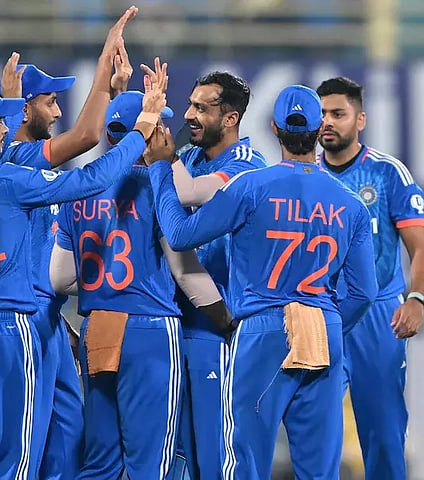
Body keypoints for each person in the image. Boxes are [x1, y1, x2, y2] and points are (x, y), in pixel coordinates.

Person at [0, 80, 166, 479]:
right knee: (13, 465)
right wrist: (141, 130)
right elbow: (92, 180)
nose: (6, 129)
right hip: (2, 330)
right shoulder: (6, 181)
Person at [146, 84, 378, 479]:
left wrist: (159, 169)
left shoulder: (250, 186)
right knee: (320, 470)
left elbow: (181, 235)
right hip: (324, 330)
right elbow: (364, 293)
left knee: (244, 463)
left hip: (262, 330)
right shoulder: (350, 203)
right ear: (318, 130)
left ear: (274, 128)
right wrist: (326, 325)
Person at [50, 74, 230, 479]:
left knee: (100, 462)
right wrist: (225, 318)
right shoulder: (157, 185)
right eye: (159, 123)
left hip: (98, 326)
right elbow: (185, 270)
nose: (165, 129)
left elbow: (59, 278)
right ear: (146, 133)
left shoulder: (79, 188)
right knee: (152, 462)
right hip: (149, 329)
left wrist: (103, 286)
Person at [0, 6, 137, 478]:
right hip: (24, 317)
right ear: (24, 108)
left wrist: (116, 92)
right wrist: (104, 65)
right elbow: (88, 135)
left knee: (69, 440)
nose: (57, 112)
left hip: (50, 317)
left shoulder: (27, 161)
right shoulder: (15, 158)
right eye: (50, 102)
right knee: (27, 448)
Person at [140, 68, 267, 480]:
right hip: (179, 323)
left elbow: (188, 192)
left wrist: (165, 158)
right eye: (190, 104)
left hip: (221, 329)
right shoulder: (191, 157)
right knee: (179, 457)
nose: (189, 115)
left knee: (217, 453)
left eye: (201, 108)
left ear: (230, 118)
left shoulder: (248, 165)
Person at [317, 77, 424, 480]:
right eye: (322, 114)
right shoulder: (307, 174)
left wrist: (417, 299)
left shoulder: (387, 173)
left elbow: (420, 245)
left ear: (360, 119)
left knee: (382, 432)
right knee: (316, 431)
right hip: (321, 312)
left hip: (377, 317)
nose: (328, 122)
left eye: (338, 114)